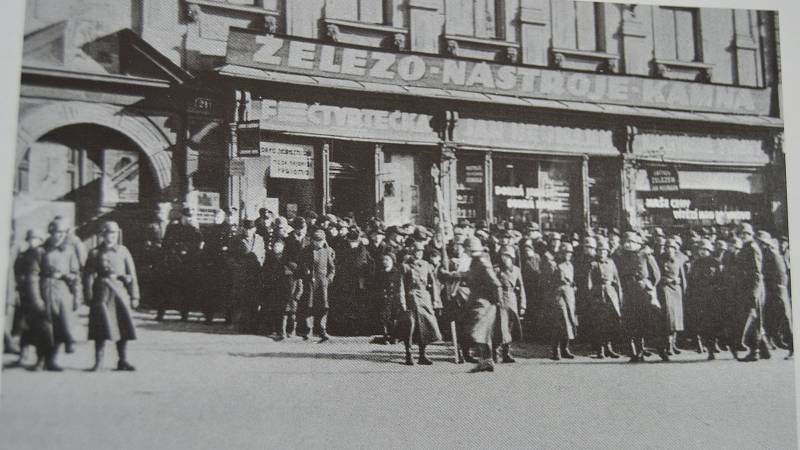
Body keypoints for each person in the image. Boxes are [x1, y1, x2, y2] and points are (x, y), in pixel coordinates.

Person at [27, 217, 82, 371]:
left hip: (63, 293)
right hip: (45, 290)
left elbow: (76, 275)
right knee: (43, 327)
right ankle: (39, 359)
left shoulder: (69, 252)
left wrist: (77, 296)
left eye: (64, 232)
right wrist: (36, 299)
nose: (60, 235)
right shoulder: (40, 251)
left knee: (60, 327)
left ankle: (52, 360)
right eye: (58, 232)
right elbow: (33, 277)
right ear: (51, 232)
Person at [439, 237, 502, 372]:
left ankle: (487, 360)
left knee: (476, 331)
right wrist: (451, 275)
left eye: (465, 248)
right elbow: (468, 275)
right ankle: (487, 361)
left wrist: (497, 301)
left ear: (469, 248)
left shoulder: (482, 261)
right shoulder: (476, 261)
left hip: (484, 303)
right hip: (477, 302)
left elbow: (496, 283)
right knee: (479, 332)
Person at [83, 221, 139, 371]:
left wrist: (134, 296)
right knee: (99, 327)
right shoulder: (94, 253)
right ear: (102, 235)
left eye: (113, 234)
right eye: (108, 233)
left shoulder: (123, 251)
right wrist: (88, 295)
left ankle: (122, 360)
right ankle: (99, 361)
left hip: (120, 292)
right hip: (101, 293)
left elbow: (132, 274)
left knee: (123, 327)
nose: (111, 237)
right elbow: (87, 275)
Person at [615, 231, 662, 363]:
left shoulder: (646, 255)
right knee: (631, 322)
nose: (628, 245)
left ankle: (658, 349)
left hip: (644, 293)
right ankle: (635, 352)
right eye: (626, 242)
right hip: (629, 293)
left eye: (631, 242)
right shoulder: (620, 257)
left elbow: (656, 274)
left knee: (648, 321)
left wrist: (648, 285)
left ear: (637, 243)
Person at [398, 240, 442, 365]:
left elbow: (433, 284)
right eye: (416, 251)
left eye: (421, 251)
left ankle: (422, 354)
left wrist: (435, 300)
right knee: (410, 327)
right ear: (411, 252)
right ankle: (409, 353)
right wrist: (402, 302)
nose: (419, 254)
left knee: (426, 326)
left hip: (424, 298)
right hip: (411, 298)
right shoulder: (405, 266)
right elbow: (400, 286)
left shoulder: (426, 265)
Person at [159, 208, 204, 321]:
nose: (188, 219)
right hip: (173, 263)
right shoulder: (173, 228)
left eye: (190, 217)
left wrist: (189, 253)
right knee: (166, 289)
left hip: (187, 264)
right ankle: (161, 313)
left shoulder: (194, 230)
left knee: (186, 290)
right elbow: (165, 244)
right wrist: (173, 253)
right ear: (182, 217)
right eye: (186, 217)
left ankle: (184, 315)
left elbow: (198, 247)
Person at [10, 229, 45, 367]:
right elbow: (16, 271)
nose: (32, 241)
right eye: (30, 239)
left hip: (38, 295)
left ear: (40, 240)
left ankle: (40, 359)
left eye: (35, 238)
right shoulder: (23, 255)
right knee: (24, 327)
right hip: (25, 296)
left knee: (40, 329)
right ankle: (23, 355)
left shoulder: (43, 254)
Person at [736, 223, 770, 362]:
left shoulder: (752, 248)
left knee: (753, 319)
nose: (743, 236)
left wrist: (754, 292)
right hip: (748, 287)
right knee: (754, 318)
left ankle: (754, 351)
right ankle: (765, 349)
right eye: (741, 234)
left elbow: (756, 272)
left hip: (753, 288)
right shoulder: (746, 247)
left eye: (745, 234)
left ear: (750, 234)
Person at [757, 231, 792, 357]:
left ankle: (792, 345)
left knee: (784, 319)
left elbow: (781, 275)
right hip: (772, 291)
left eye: (761, 242)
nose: (760, 245)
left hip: (776, 291)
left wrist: (778, 289)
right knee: (772, 319)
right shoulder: (767, 254)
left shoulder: (772, 255)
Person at [298, 227, 336, 342]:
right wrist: (306, 273)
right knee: (309, 306)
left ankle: (321, 330)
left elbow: (332, 268)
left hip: (322, 283)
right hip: (309, 282)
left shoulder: (328, 251)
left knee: (323, 307)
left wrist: (328, 280)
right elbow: (301, 264)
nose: (317, 243)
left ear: (324, 240)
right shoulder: (305, 250)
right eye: (315, 240)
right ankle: (308, 330)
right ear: (312, 240)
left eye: (320, 240)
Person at [586, 240, 623, 359]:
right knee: (599, 323)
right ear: (596, 252)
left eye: (604, 250)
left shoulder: (611, 263)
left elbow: (617, 280)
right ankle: (600, 349)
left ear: (607, 252)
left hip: (611, 294)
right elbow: (589, 283)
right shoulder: (593, 264)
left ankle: (609, 348)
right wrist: (592, 298)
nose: (602, 252)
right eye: (599, 250)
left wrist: (619, 296)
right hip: (598, 295)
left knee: (610, 323)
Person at [689, 239, 723, 360]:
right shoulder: (695, 264)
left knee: (713, 324)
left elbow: (720, 280)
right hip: (699, 298)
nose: (702, 252)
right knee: (703, 325)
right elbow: (691, 281)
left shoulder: (715, 263)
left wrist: (716, 291)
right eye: (700, 250)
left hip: (713, 298)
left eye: (705, 250)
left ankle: (713, 347)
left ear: (709, 250)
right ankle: (708, 348)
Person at [262, 238, 302, 340]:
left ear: (283, 247)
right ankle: (277, 331)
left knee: (290, 314)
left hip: (286, 290)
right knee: (276, 312)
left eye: (278, 246)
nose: (276, 248)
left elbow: (296, 280)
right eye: (274, 246)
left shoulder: (286, 259)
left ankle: (289, 332)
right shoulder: (269, 257)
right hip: (273, 287)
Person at [495, 245, 526, 363]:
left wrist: (523, 304)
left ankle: (506, 352)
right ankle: (496, 352)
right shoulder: (497, 270)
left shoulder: (517, 270)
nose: (505, 259)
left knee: (510, 327)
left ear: (512, 258)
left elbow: (522, 287)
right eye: (503, 256)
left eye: (508, 256)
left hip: (512, 300)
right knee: (500, 327)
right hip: (500, 299)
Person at [234, 219, 266, 334]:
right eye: (246, 229)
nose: (248, 231)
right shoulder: (237, 239)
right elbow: (231, 256)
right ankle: (244, 326)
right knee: (244, 300)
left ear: (254, 229)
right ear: (243, 229)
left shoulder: (259, 239)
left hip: (257, 274)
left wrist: (261, 265)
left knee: (255, 300)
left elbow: (263, 254)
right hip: (243, 274)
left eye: (250, 229)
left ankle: (254, 326)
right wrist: (237, 266)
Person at [548, 243, 578, 360]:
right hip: (558, 296)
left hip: (569, 296)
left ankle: (565, 348)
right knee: (559, 323)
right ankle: (556, 350)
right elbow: (548, 282)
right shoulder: (553, 265)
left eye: (569, 253)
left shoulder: (570, 265)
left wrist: (573, 286)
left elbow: (572, 280)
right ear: (560, 253)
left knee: (569, 322)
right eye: (565, 253)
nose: (568, 255)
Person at [657, 238, 687, 357]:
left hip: (676, 291)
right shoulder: (660, 260)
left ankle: (673, 344)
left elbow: (683, 277)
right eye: (667, 247)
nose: (669, 250)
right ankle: (667, 346)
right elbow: (657, 275)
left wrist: (683, 289)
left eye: (672, 248)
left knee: (676, 320)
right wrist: (666, 280)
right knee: (668, 319)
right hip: (665, 290)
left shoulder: (679, 261)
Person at [375, 252, 403, 344]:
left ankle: (395, 336)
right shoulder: (380, 273)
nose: (385, 262)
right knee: (384, 317)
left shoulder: (397, 272)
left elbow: (399, 286)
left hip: (394, 298)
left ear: (392, 261)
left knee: (394, 317)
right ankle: (385, 336)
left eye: (387, 260)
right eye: (383, 260)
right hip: (384, 298)